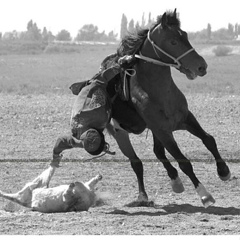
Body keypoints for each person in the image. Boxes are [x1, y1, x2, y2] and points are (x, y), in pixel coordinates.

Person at [50, 54, 136, 167]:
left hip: (96, 88)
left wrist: (120, 67)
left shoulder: (97, 111)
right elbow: (61, 141)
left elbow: (99, 81)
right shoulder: (80, 139)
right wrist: (55, 157)